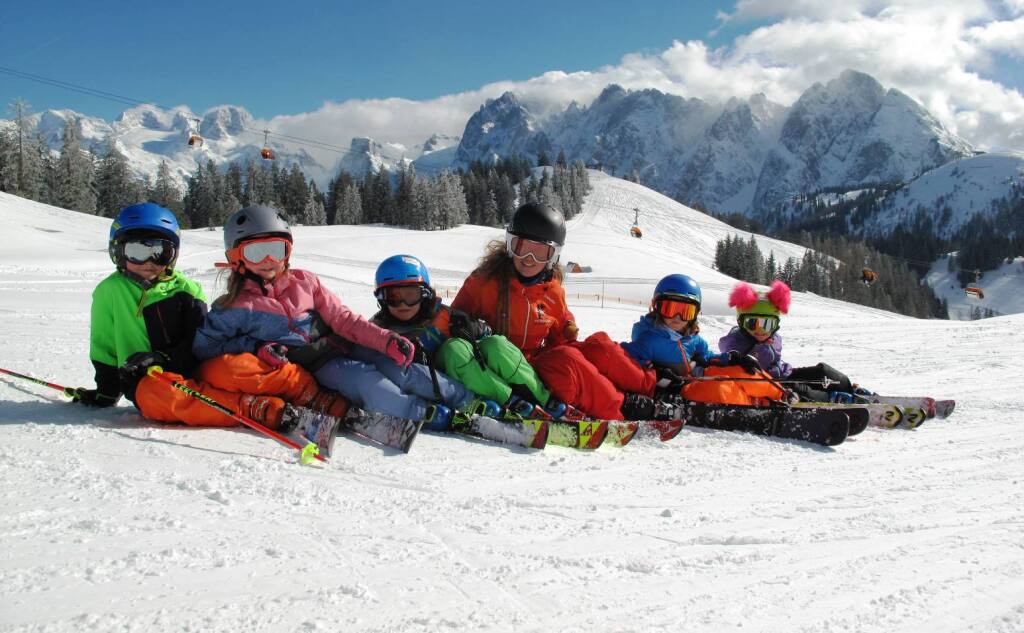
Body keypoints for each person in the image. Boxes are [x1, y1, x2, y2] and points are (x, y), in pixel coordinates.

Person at [71, 203, 337, 451]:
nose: (150, 262)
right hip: (151, 378)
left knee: (235, 367)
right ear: (117, 251)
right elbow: (104, 346)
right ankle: (261, 409)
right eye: (137, 252)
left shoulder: (187, 289)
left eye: (160, 252)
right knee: (154, 396)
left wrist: (165, 357)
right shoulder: (109, 292)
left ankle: (311, 395)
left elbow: (198, 341)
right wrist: (106, 392)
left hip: (195, 365)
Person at [192, 205, 461, 428]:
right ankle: (424, 414)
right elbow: (205, 347)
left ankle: (464, 399)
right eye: (255, 252)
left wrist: (385, 340)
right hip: (314, 365)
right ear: (236, 258)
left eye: (276, 250)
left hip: (343, 344)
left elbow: (343, 319)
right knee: (366, 381)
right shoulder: (234, 307)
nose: (268, 260)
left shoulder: (305, 282)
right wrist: (255, 348)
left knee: (402, 368)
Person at [451, 202, 661, 421]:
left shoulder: (552, 291)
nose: (528, 259)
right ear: (509, 245)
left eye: (540, 252)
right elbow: (453, 321)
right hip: (500, 365)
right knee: (568, 360)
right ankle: (621, 407)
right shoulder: (484, 283)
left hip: (534, 363)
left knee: (600, 345)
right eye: (520, 247)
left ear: (553, 256)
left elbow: (560, 331)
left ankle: (651, 387)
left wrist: (568, 326)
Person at [370, 254, 554, 421]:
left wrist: (473, 330)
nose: (403, 304)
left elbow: (484, 332)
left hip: (477, 367)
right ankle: (510, 403)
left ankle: (546, 401)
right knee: (454, 350)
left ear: (424, 294)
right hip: (452, 384)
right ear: (381, 299)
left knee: (496, 345)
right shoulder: (380, 332)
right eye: (393, 297)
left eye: (410, 295)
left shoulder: (444, 316)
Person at [615, 274, 772, 406]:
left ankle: (778, 395)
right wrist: (655, 371)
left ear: (695, 314)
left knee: (741, 371)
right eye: (670, 309)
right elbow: (625, 360)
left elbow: (708, 357)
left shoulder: (693, 339)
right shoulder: (648, 338)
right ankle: (755, 405)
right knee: (720, 388)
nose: (677, 318)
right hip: (679, 391)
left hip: (696, 378)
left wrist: (731, 358)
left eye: (685, 312)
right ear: (657, 308)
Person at [719, 280, 859, 403]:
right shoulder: (735, 342)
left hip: (785, 373)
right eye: (753, 323)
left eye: (768, 324)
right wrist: (741, 357)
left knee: (822, 372)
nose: (761, 330)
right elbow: (729, 355)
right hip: (768, 384)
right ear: (741, 322)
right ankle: (832, 399)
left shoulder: (774, 338)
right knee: (798, 389)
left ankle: (849, 390)